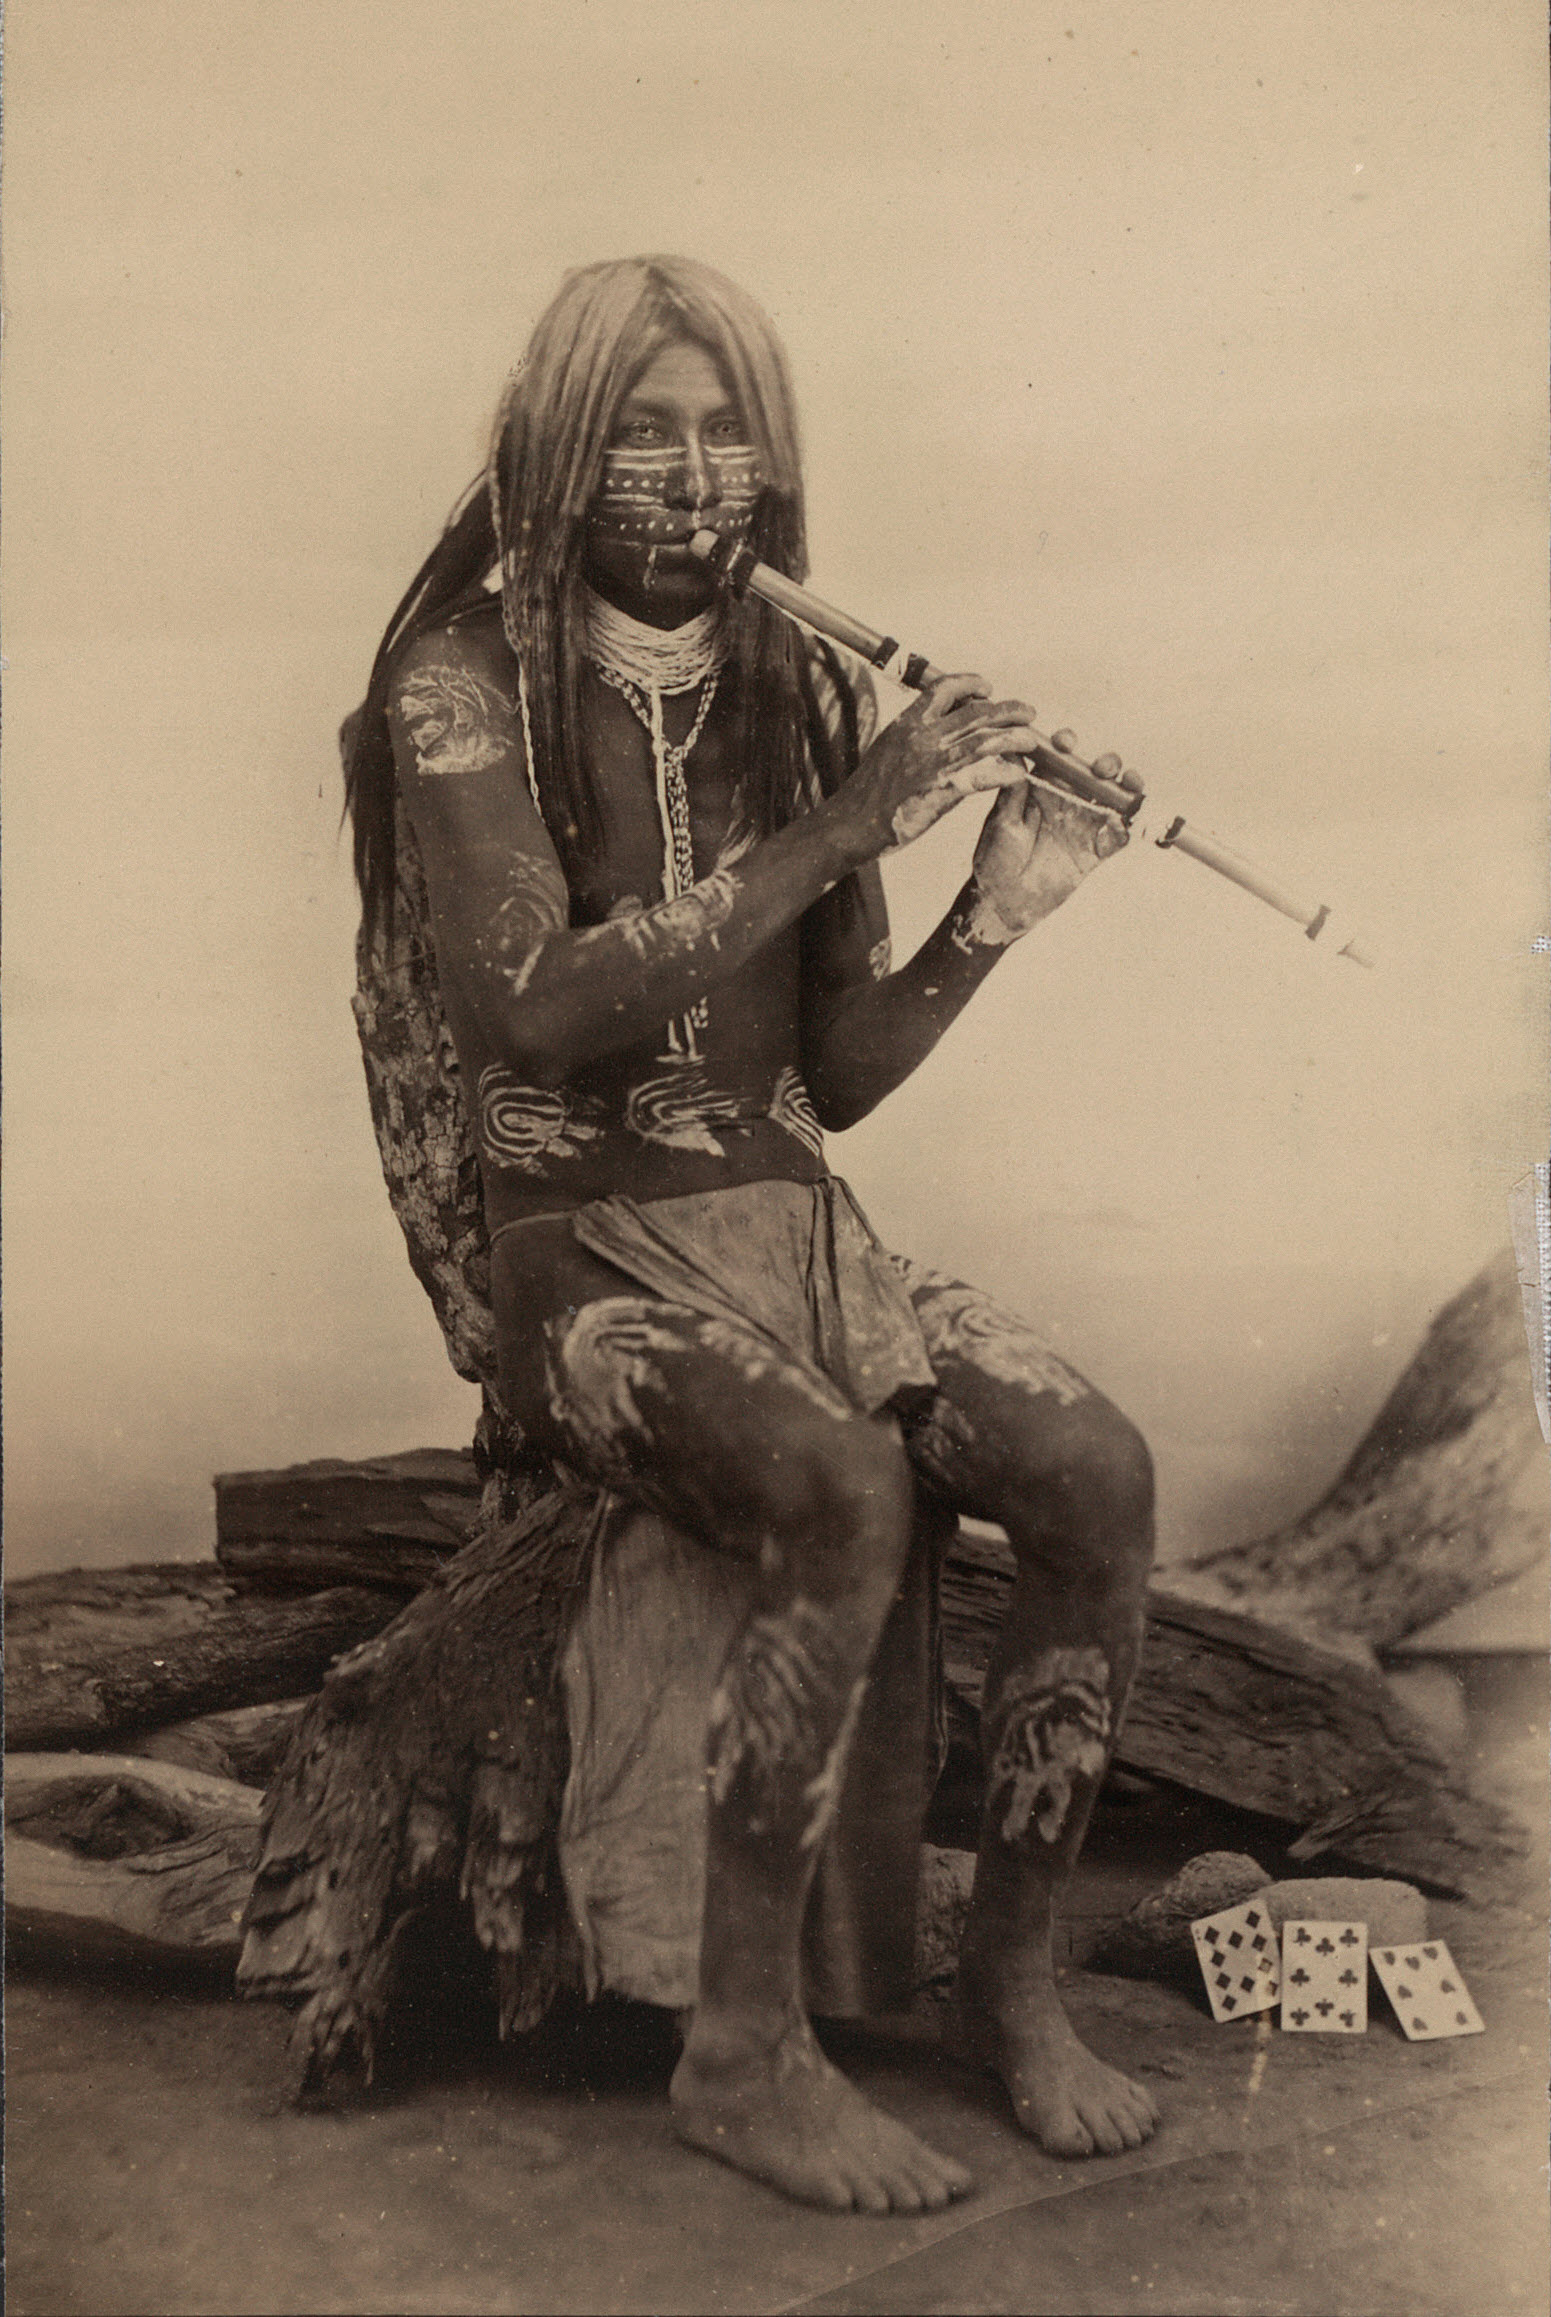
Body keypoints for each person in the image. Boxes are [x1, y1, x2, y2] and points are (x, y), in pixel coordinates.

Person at [344, 255, 1158, 2214]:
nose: (697, 473)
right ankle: (742, 2045)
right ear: (555, 446)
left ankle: (1011, 1983)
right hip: (587, 1250)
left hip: (797, 1218)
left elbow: (842, 1074)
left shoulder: (793, 683)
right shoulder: (460, 678)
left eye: (730, 430)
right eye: (645, 422)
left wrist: (995, 898)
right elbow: (532, 1005)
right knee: (845, 1494)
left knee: (1096, 1469)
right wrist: (855, 822)